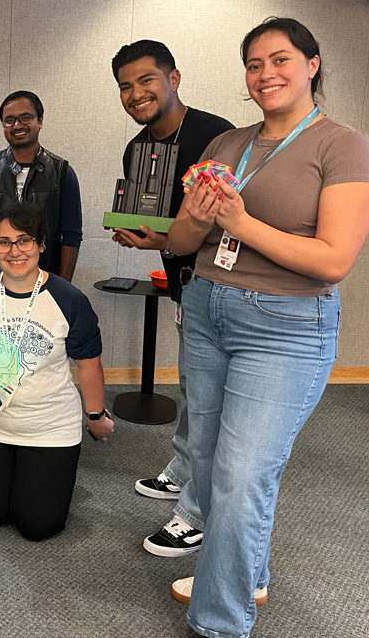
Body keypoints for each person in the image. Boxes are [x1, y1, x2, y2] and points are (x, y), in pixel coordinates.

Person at [166, 18, 369, 638]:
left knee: (243, 474)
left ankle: (220, 620)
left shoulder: (345, 147)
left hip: (284, 326)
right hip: (205, 309)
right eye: (254, 64)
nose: (265, 74)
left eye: (280, 59)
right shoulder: (226, 144)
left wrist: (239, 222)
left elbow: (332, 260)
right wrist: (198, 216)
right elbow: (181, 241)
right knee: (206, 459)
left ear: (312, 65)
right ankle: (247, 574)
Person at [110, 40, 234, 559]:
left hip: (223, 285)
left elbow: (227, 223)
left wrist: (163, 239)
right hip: (185, 282)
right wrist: (140, 235)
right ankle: (183, 468)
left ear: (173, 78)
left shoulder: (217, 137)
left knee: (210, 402)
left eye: (146, 80)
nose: (136, 93)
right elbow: (156, 219)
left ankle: (196, 512)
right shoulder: (137, 148)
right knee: (192, 386)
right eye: (125, 86)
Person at [0, 203, 114, 541]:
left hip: (49, 427)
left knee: (38, 525)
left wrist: (96, 415)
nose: (15, 251)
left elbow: (88, 365)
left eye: (24, 240)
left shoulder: (69, 300)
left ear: (41, 244)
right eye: (4, 242)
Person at [0, 90, 83, 297]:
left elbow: (71, 234)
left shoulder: (62, 173)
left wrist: (62, 285)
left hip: (44, 280)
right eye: (9, 120)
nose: (17, 125)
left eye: (25, 117)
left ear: (40, 121)